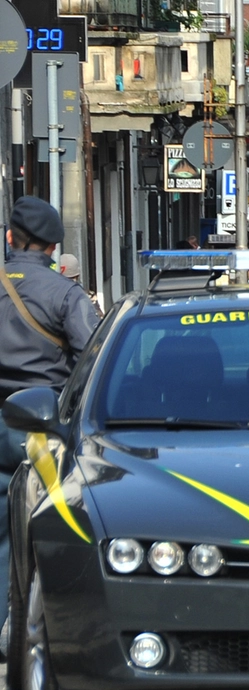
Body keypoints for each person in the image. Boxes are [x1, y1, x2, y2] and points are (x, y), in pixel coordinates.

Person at [0, 197, 101, 637]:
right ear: (55, 248)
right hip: (42, 427)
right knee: (45, 525)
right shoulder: (65, 294)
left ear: (9, 238)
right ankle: (26, 625)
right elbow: (93, 360)